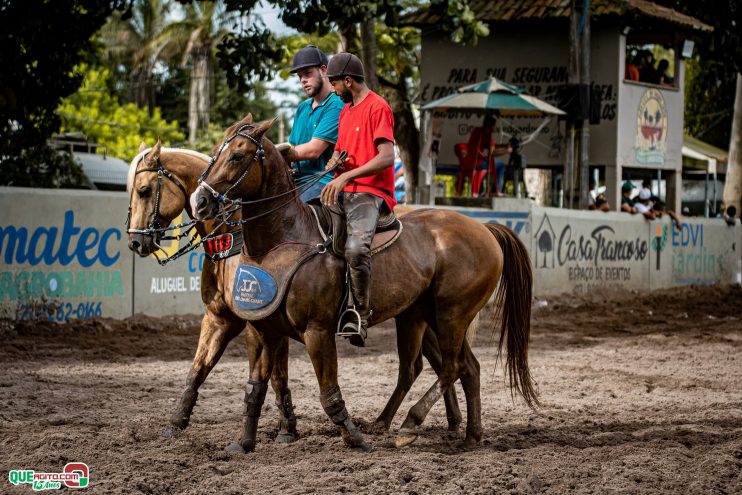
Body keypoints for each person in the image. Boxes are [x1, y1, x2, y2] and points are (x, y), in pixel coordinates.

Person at [319, 52, 396, 347]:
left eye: (336, 83)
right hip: (344, 188)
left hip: (370, 192)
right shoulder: (345, 111)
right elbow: (342, 152)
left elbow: (386, 157)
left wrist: (346, 177)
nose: (334, 89)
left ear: (348, 81)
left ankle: (360, 315)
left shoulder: (379, 107)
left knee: (355, 249)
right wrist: (334, 164)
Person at [280, 45, 345, 201]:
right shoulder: (303, 108)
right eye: (300, 76)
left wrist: (272, 153)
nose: (303, 80)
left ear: (324, 70)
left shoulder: (336, 104)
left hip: (323, 182)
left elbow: (313, 150)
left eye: (308, 74)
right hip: (296, 182)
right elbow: (292, 147)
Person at [466, 114, 510, 196]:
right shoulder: (487, 134)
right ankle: (496, 190)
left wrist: (504, 145)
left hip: (470, 161)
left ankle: (482, 191)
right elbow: (492, 153)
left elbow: (489, 145)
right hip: (478, 163)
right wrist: (506, 150)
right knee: (501, 166)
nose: (495, 127)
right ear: (491, 125)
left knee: (492, 163)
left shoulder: (477, 131)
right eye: (494, 125)